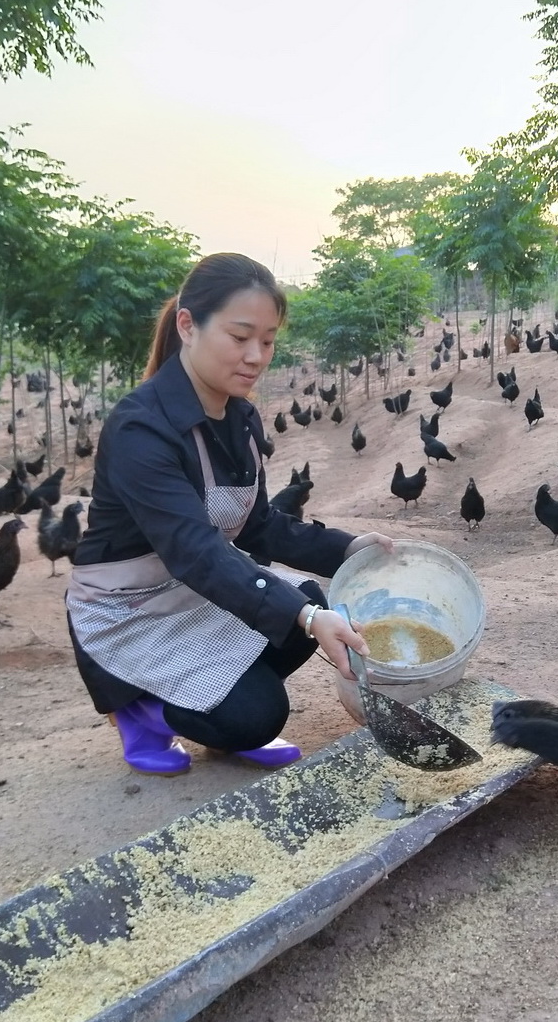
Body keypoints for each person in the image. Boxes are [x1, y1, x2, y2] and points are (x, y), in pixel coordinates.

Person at [66, 252, 393, 776]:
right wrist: (306, 618)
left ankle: (218, 709)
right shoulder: (139, 429)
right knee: (260, 709)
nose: (256, 356)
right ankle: (142, 711)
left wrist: (350, 549)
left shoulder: (239, 416)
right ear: (188, 325)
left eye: (268, 340)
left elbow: (259, 526)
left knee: (309, 603)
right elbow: (195, 551)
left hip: (194, 588)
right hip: (129, 609)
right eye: (240, 337)